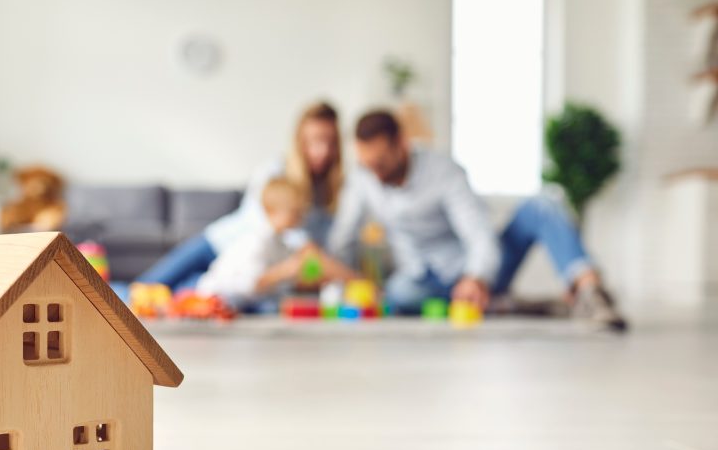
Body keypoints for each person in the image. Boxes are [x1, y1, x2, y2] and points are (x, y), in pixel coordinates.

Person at [329, 110, 627, 331]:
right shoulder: (362, 180)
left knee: (543, 204)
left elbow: (478, 233)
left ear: (402, 144)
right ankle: (503, 305)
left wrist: (476, 277)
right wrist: (339, 284)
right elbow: (343, 238)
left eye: (381, 163)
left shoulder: (444, 172)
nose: (375, 174)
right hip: (420, 280)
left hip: (474, 270)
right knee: (399, 294)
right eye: (367, 165)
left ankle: (590, 292)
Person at [136, 101, 345, 290]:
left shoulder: (330, 192)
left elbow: (321, 247)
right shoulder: (274, 171)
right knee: (146, 288)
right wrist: (308, 248)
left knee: (181, 297)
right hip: (217, 244)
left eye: (330, 142)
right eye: (315, 140)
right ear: (300, 140)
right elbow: (270, 223)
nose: (323, 150)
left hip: (241, 272)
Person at [197, 177, 356, 311]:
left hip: (242, 303)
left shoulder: (280, 243)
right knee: (272, 308)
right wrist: (284, 271)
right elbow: (251, 284)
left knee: (280, 304)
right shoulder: (257, 241)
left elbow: (289, 278)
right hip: (214, 298)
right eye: (295, 212)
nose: (301, 217)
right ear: (273, 211)